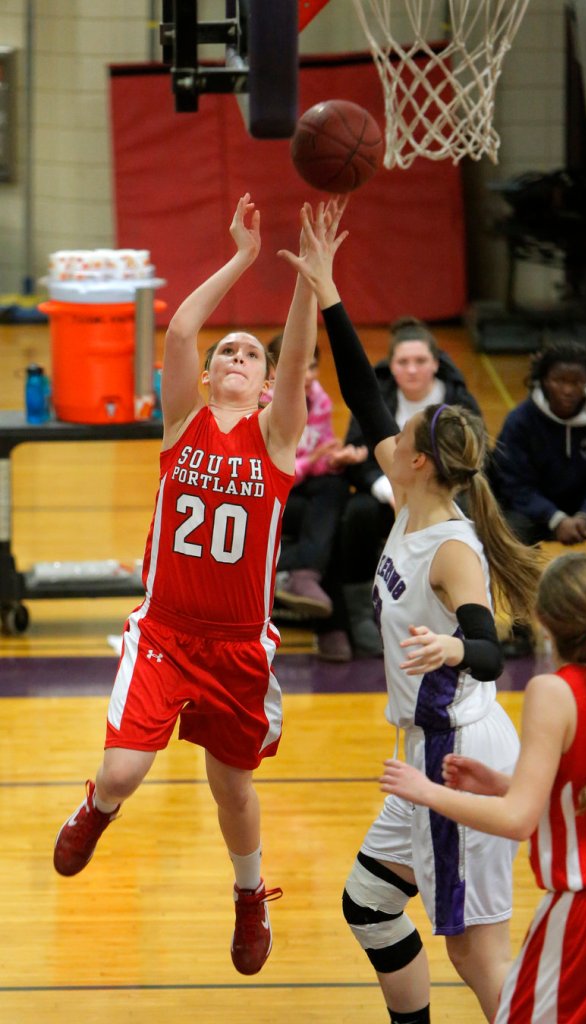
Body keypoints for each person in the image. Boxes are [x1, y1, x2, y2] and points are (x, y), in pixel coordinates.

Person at [278, 200, 542, 1023]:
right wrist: (326, 290)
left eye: (405, 432)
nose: (391, 431)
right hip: (423, 754)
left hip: (456, 754)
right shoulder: (410, 494)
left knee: (475, 953)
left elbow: (494, 652)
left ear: (421, 459)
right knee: (370, 905)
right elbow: (362, 386)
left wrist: (452, 652)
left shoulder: (452, 547)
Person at [53, 193, 322, 977]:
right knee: (123, 771)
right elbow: (175, 329)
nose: (237, 359)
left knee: (232, 792)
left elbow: (300, 358)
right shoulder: (182, 425)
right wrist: (241, 257)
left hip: (237, 648)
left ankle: (247, 898)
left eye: (251, 357)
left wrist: (308, 280)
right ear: (207, 375)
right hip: (165, 633)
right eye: (227, 353)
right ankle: (94, 811)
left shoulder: (276, 444)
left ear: (269, 387)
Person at [380, 551, 586, 1023]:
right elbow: (585, 791)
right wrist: (504, 783)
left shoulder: (554, 690)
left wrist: (426, 791)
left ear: (543, 621)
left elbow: (518, 821)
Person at [339, 318, 483, 658]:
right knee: (356, 514)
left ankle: (471, 615)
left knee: (477, 519)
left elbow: (475, 462)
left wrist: (434, 499)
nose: (413, 369)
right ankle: (360, 616)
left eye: (420, 361)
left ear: (435, 363)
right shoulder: (381, 396)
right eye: (403, 362)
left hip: (446, 500)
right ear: (392, 365)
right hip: (388, 496)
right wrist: (387, 490)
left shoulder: (459, 402)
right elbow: (357, 457)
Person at [491, 338, 586, 657]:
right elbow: (514, 484)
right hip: (536, 510)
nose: (568, 390)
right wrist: (555, 519)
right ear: (543, 381)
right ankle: (519, 628)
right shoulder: (521, 421)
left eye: (577, 382)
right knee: (511, 533)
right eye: (560, 381)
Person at [267, 334, 367, 664]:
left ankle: (303, 574)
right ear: (275, 368)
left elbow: (318, 456)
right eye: (299, 366)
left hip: (304, 485)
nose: (308, 374)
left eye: (312, 366)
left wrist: (334, 459)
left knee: (335, 486)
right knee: (330, 526)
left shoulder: (319, 399)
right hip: (270, 495)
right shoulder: (263, 403)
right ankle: (331, 626)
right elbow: (269, 472)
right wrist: (311, 464)